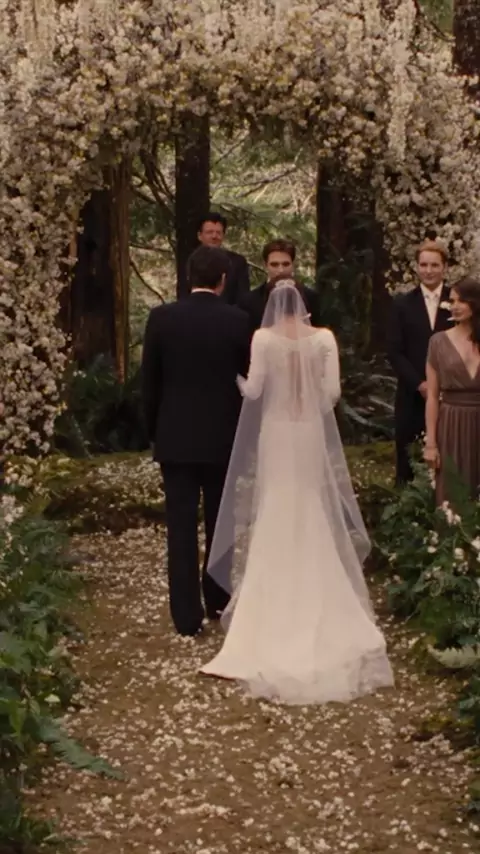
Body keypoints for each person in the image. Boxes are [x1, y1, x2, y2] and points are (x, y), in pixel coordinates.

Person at [200, 281, 394, 704]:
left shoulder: (263, 338)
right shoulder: (323, 339)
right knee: (310, 505)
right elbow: (333, 394)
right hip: (306, 431)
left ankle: (268, 610)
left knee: (276, 505)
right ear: (306, 304)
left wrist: (236, 379)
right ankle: (323, 599)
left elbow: (254, 390)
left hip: (277, 432)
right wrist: (306, 403)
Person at [141, 246, 250, 636]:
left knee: (181, 527)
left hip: (176, 437)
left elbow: (150, 382)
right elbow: (247, 381)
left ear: (189, 277)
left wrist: (154, 431)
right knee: (221, 522)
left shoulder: (161, 318)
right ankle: (217, 600)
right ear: (223, 280)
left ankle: (186, 616)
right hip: (223, 438)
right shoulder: (238, 321)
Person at [387, 239, 452, 485]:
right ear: (416, 267)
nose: (428, 270)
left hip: (451, 394)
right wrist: (420, 385)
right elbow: (394, 351)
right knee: (409, 459)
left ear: (444, 267)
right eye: (423, 265)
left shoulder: (458, 302)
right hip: (412, 394)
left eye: (434, 265)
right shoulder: (401, 304)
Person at [424, 277, 480, 504]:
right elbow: (432, 396)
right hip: (451, 424)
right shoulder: (438, 342)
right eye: (452, 301)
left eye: (461, 301)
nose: (455, 306)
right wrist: (431, 443)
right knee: (452, 493)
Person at [238, 239, 321, 332]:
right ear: (265, 265)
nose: (281, 270)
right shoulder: (249, 301)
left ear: (293, 265)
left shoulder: (311, 297)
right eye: (274, 265)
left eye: (286, 264)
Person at [186, 212, 250, 306]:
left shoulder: (238, 262)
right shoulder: (192, 261)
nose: (214, 236)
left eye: (218, 233)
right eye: (209, 232)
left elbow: (243, 297)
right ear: (199, 235)